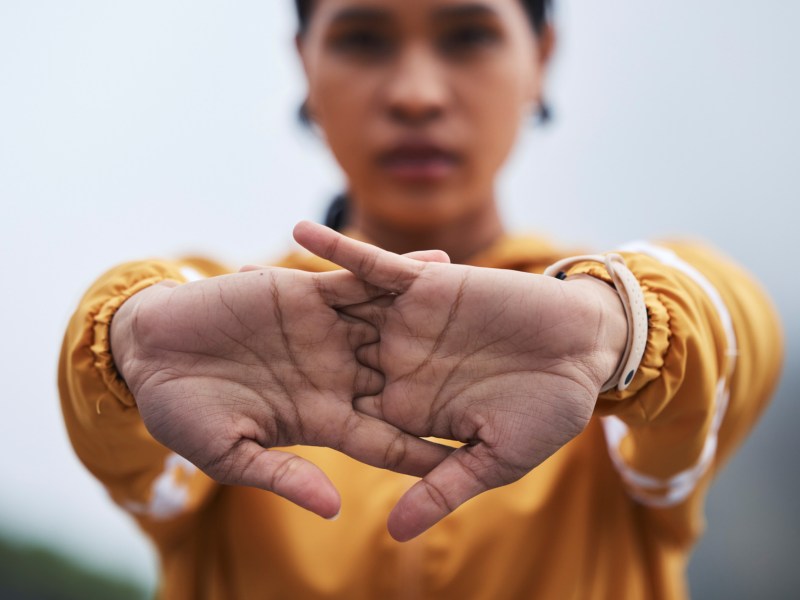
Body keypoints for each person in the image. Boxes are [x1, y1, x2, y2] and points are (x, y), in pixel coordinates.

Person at [58, 0, 783, 598]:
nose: (416, 94)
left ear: (543, 57)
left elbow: (727, 331)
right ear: (304, 67)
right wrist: (123, 342)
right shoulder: (220, 345)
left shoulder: (613, 353)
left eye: (469, 35)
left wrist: (621, 326)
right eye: (363, 39)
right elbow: (132, 419)